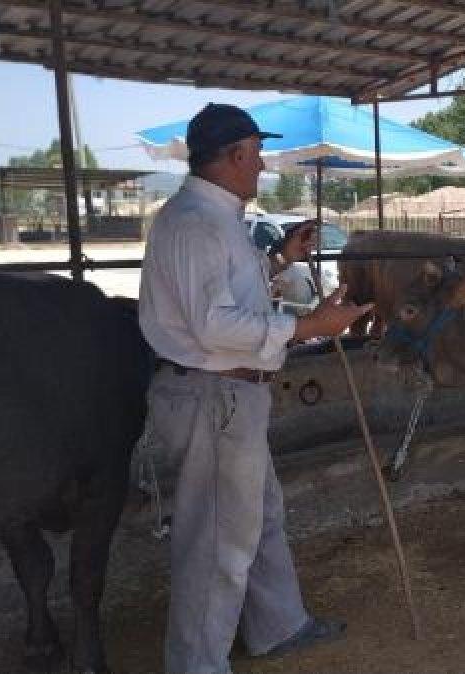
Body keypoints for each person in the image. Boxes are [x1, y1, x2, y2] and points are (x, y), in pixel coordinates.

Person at [138, 102, 373, 674]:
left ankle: (277, 625)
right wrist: (308, 326)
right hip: (213, 397)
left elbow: (228, 298)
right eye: (258, 154)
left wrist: (276, 261)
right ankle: (197, 665)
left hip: (232, 397)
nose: (263, 165)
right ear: (236, 153)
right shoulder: (194, 222)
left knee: (258, 516)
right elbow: (211, 324)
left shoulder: (214, 217)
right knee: (217, 543)